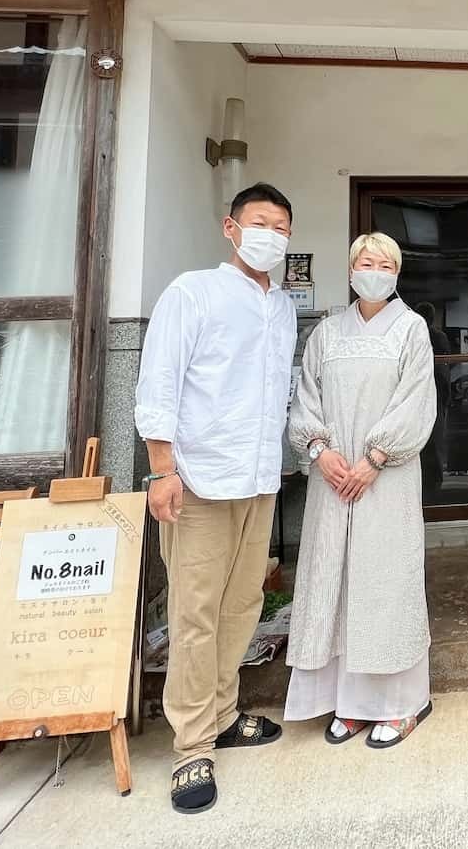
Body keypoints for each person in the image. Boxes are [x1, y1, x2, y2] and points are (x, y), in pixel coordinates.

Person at [135, 182, 296, 814]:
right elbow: (159, 380)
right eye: (261, 223)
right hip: (196, 480)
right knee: (195, 613)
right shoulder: (191, 292)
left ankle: (226, 714)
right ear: (231, 228)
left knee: (241, 604)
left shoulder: (282, 306)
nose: (272, 236)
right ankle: (191, 744)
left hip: (257, 478)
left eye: (282, 227)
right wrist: (161, 468)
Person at [284, 231, 437, 748]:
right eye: (365, 261)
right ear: (351, 269)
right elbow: (307, 398)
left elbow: (416, 401)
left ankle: (401, 703)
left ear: (396, 273)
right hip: (333, 480)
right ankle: (348, 704)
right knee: (337, 579)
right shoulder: (326, 333)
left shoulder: (412, 329)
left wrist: (375, 458)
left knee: (385, 581)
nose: (374, 269)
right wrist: (319, 450)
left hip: (385, 479)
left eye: (384, 263)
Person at [414, 301, 450, 498]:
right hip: (436, 391)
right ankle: (435, 480)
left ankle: (424, 480)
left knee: (420, 437)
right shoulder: (438, 336)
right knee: (435, 437)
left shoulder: (411, 335)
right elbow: (445, 369)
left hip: (418, 393)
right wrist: (447, 395)